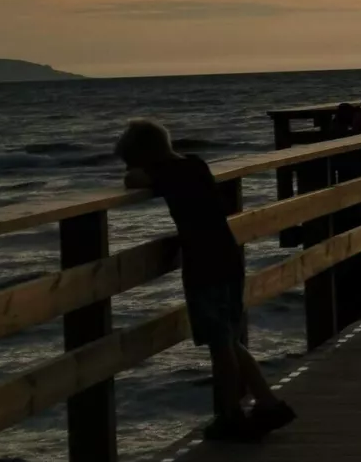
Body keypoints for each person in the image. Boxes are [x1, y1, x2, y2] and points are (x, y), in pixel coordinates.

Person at [115, 119, 294, 442]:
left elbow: (133, 181)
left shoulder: (164, 173)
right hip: (227, 255)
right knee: (229, 338)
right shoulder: (195, 164)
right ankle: (267, 402)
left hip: (203, 262)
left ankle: (230, 415)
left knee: (220, 343)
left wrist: (136, 172)